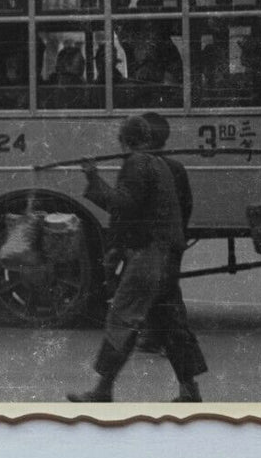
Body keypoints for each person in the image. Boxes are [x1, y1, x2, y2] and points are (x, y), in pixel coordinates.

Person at [68, 116, 203, 403]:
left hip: (148, 257)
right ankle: (189, 390)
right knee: (170, 323)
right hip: (167, 255)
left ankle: (103, 389)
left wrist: (93, 177)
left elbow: (124, 206)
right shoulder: (161, 164)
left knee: (123, 318)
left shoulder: (136, 164)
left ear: (124, 140)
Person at [132, 112, 207, 391]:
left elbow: (128, 208)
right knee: (166, 303)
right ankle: (186, 383)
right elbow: (186, 205)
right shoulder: (175, 167)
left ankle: (104, 385)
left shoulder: (141, 168)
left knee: (152, 308)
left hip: (152, 249)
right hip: (171, 244)